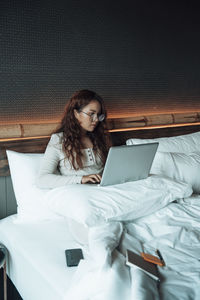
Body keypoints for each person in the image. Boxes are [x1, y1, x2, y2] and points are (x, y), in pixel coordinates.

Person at [36, 89, 111, 189]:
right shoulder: (59, 140)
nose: (96, 119)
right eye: (91, 114)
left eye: (98, 115)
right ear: (76, 113)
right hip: (78, 193)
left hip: (103, 190)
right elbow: (42, 180)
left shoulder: (100, 138)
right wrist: (81, 179)